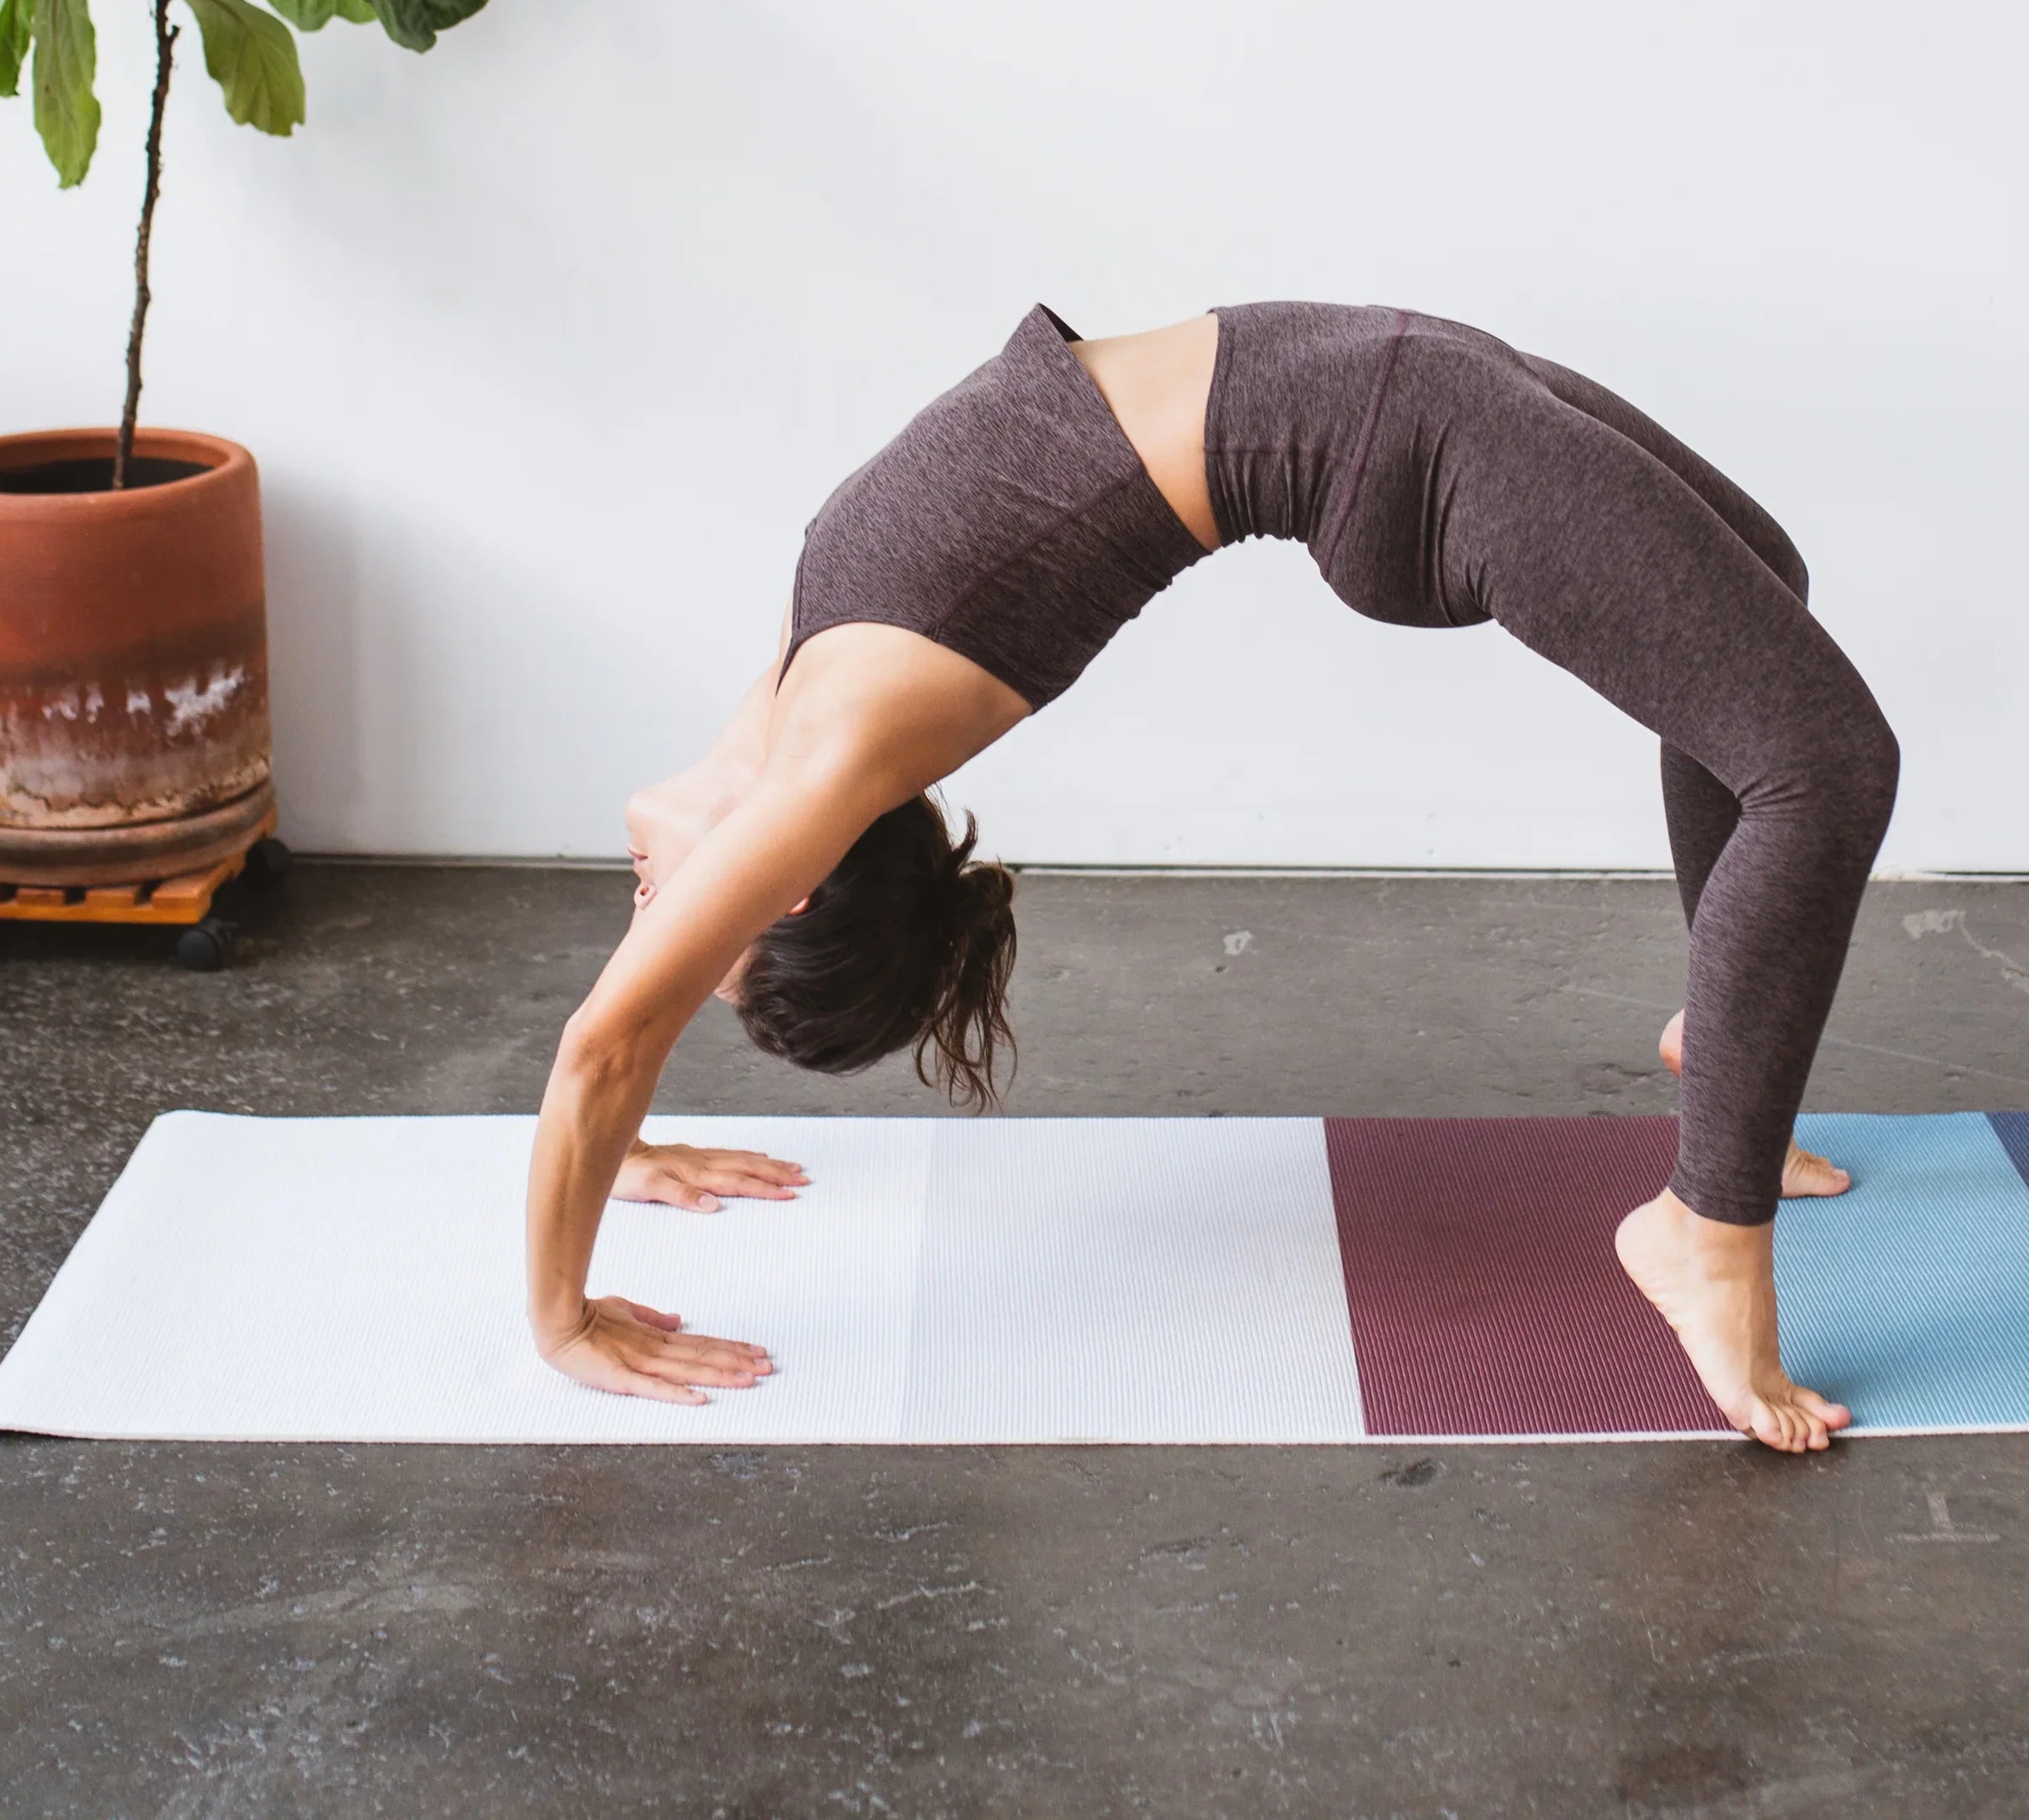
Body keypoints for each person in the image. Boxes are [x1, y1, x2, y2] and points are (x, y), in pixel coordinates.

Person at [526, 304, 1900, 1452]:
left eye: (670, 922)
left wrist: (620, 1155)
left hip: (1399, 375)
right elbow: (613, 1040)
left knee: (1756, 597)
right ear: (793, 879)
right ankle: (1703, 1233)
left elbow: (616, 1042)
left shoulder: (804, 680)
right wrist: (569, 1314)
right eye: (683, 926)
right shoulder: (831, 744)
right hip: (1399, 444)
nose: (650, 908)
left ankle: (1731, 1053)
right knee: (1825, 766)